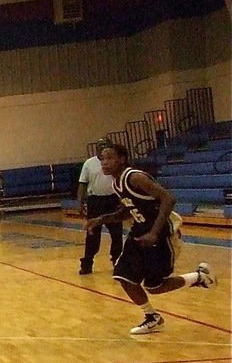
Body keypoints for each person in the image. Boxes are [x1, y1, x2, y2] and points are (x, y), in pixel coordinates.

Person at [86, 142, 217, 334]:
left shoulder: (135, 177)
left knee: (154, 287)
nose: (105, 163)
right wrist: (101, 219)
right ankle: (152, 317)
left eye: (109, 158)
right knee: (124, 276)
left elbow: (168, 198)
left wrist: (154, 232)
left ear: (122, 159)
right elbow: (128, 210)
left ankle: (199, 276)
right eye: (102, 159)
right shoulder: (117, 183)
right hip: (139, 233)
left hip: (161, 234)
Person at [77, 141, 123, 275]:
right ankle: (87, 263)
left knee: (116, 234)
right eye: (101, 147)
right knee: (92, 234)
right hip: (95, 201)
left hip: (112, 200)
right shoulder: (89, 163)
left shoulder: (116, 164)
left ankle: (117, 263)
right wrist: (80, 202)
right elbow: (82, 183)